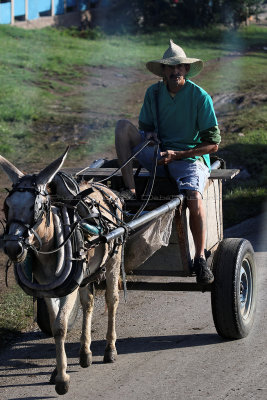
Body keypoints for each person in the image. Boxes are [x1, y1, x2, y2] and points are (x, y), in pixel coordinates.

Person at [115, 40, 221, 284]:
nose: (175, 72)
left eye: (180, 68)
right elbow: (146, 128)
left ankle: (201, 258)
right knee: (122, 126)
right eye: (170, 68)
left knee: (193, 197)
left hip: (189, 157)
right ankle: (130, 191)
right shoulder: (153, 93)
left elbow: (213, 145)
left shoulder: (200, 97)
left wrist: (178, 155)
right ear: (163, 71)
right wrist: (151, 137)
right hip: (159, 154)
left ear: (186, 70)